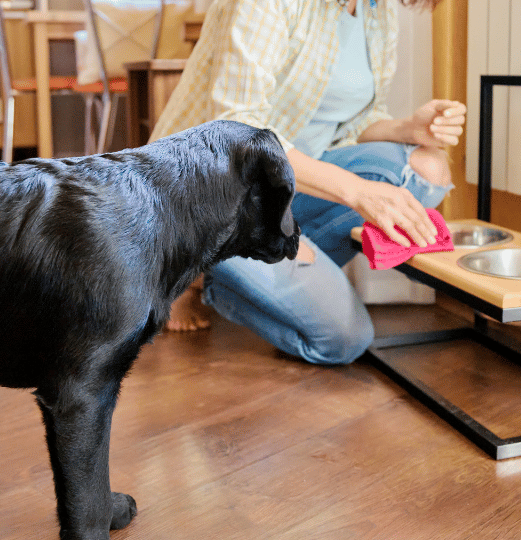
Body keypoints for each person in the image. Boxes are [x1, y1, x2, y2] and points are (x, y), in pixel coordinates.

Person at [151, 0, 466, 365]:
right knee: (344, 339)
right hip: (211, 193)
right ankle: (197, 268)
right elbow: (237, 132)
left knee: (427, 167)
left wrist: (407, 129)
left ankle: (256, 268)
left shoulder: (376, 10)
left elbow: (351, 122)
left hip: (286, 188)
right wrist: (358, 191)